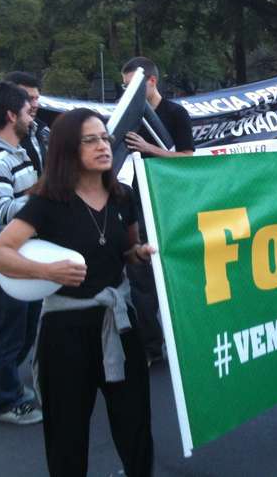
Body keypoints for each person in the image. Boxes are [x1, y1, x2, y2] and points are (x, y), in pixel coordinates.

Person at [0, 108, 154, 476]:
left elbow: (125, 251)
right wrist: (46, 271)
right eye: (89, 140)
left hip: (119, 326)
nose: (102, 146)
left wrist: (138, 254)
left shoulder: (122, 197)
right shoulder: (48, 202)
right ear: (66, 149)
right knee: (67, 436)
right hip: (65, 333)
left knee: (136, 426)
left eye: (104, 138)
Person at [0, 72, 49, 381]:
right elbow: (1, 211)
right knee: (8, 340)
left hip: (21, 263)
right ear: (10, 115)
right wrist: (46, 201)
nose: (33, 115)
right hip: (2, 267)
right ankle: (7, 400)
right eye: (28, 110)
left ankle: (0, 383)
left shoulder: (17, 152)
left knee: (24, 335)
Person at [121, 57, 194, 365]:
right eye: (124, 88)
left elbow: (188, 157)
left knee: (179, 275)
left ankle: (189, 341)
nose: (126, 93)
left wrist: (149, 149)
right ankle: (152, 347)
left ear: (150, 82)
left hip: (170, 205)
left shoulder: (176, 113)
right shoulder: (128, 116)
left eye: (130, 87)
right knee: (140, 280)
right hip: (134, 204)